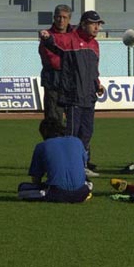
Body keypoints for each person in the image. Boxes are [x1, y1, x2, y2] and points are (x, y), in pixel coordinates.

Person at [39, 10, 105, 177]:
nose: (96, 27)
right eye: (93, 23)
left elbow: (94, 71)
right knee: (72, 134)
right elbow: (54, 41)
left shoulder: (95, 45)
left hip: (89, 96)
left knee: (86, 133)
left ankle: (81, 165)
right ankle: (68, 165)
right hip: (74, 96)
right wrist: (47, 37)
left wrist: (98, 85)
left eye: (98, 24)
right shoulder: (71, 39)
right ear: (83, 24)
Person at [17, 118, 93, 203]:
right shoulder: (76, 141)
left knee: (22, 189)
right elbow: (83, 165)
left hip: (57, 193)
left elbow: (36, 178)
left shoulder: (42, 146)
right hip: (82, 192)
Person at [38, 4, 73, 126]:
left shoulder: (75, 35)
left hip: (70, 79)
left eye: (64, 17)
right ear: (54, 18)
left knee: (74, 117)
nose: (61, 20)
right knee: (53, 118)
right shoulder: (46, 36)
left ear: (69, 19)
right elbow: (52, 60)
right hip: (53, 79)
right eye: (58, 17)